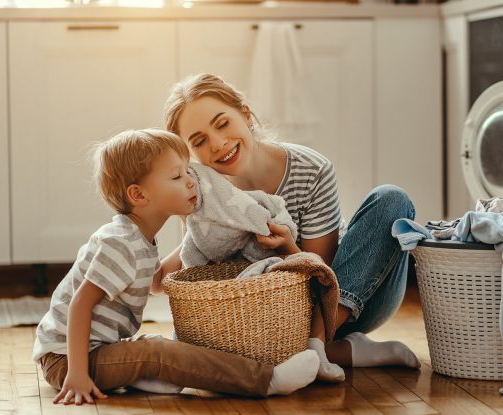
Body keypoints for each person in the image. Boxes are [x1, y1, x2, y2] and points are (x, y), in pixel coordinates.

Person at [162, 74, 421, 383]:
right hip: (263, 321)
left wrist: (287, 248)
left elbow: (321, 276)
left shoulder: (311, 169)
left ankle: (317, 344)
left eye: (222, 124)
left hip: (342, 303)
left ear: (246, 115)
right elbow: (202, 264)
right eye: (199, 140)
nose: (218, 143)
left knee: (391, 199)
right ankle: (339, 352)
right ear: (189, 152)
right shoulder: (200, 189)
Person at [32, 129, 319, 405]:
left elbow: (156, 282)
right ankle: (266, 381)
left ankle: (146, 374)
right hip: (67, 358)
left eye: (187, 172)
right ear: (139, 195)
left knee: (156, 348)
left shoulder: (139, 238)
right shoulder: (120, 243)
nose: (191, 181)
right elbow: (80, 304)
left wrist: (197, 243)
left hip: (93, 350)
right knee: (155, 351)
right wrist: (78, 375)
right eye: (177, 176)